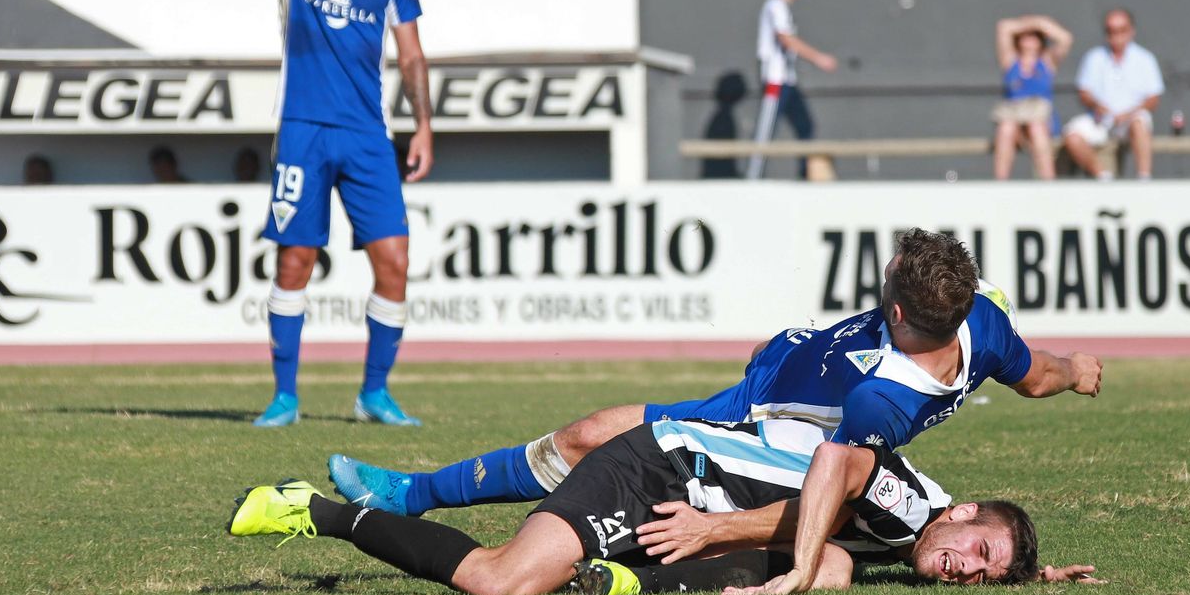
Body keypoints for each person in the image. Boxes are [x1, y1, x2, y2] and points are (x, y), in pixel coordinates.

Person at [329, 229, 1104, 527]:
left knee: (590, 436)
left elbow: (840, 482)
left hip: (753, 423)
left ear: (900, 316)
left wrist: (795, 567)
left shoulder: (884, 399)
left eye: (888, 278)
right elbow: (1037, 376)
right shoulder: (982, 322)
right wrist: (1079, 371)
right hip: (755, 389)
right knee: (592, 437)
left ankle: (411, 497)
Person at [230, 417, 1096, 595]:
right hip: (656, 472)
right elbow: (852, 467)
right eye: (972, 548)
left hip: (690, 492)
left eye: (975, 574)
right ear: (961, 510)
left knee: (827, 568)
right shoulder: (911, 505)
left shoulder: (936, 530)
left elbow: (831, 529)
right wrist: (716, 527)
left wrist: (1032, 571)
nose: (957, 567)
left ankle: (621, 579)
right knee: (500, 582)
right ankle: (318, 511)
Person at [230, 0, 434, 428]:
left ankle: (374, 393)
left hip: (369, 135)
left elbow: (412, 56)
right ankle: (285, 397)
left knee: (393, 260)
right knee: (294, 261)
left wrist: (423, 125)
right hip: (303, 132)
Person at [742, 0, 837, 181]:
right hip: (775, 80)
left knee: (806, 126)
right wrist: (819, 58)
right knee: (765, 132)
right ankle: (752, 179)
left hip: (788, 81)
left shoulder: (782, 7)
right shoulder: (775, 5)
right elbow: (786, 40)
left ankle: (807, 176)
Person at [1061, 8, 1163, 180]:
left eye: (1121, 30)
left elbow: (1153, 99)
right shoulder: (1093, 58)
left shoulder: (1145, 59)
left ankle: (1144, 179)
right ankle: (1103, 177)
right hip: (1101, 121)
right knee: (1072, 136)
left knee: (1140, 122)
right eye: (1111, 30)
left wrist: (1128, 114)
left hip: (1131, 120)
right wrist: (1097, 106)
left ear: (1131, 31)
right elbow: (1084, 93)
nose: (1116, 35)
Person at [993, 15, 1073, 181]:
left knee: (1036, 127)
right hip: (1015, 119)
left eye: (1034, 35)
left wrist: (1038, 23)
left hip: (1040, 120)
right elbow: (1003, 27)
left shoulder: (1047, 62)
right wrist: (1028, 24)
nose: (1029, 38)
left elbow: (1065, 39)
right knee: (1006, 128)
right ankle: (1000, 184)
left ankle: (1048, 182)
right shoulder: (1010, 61)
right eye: (1025, 34)